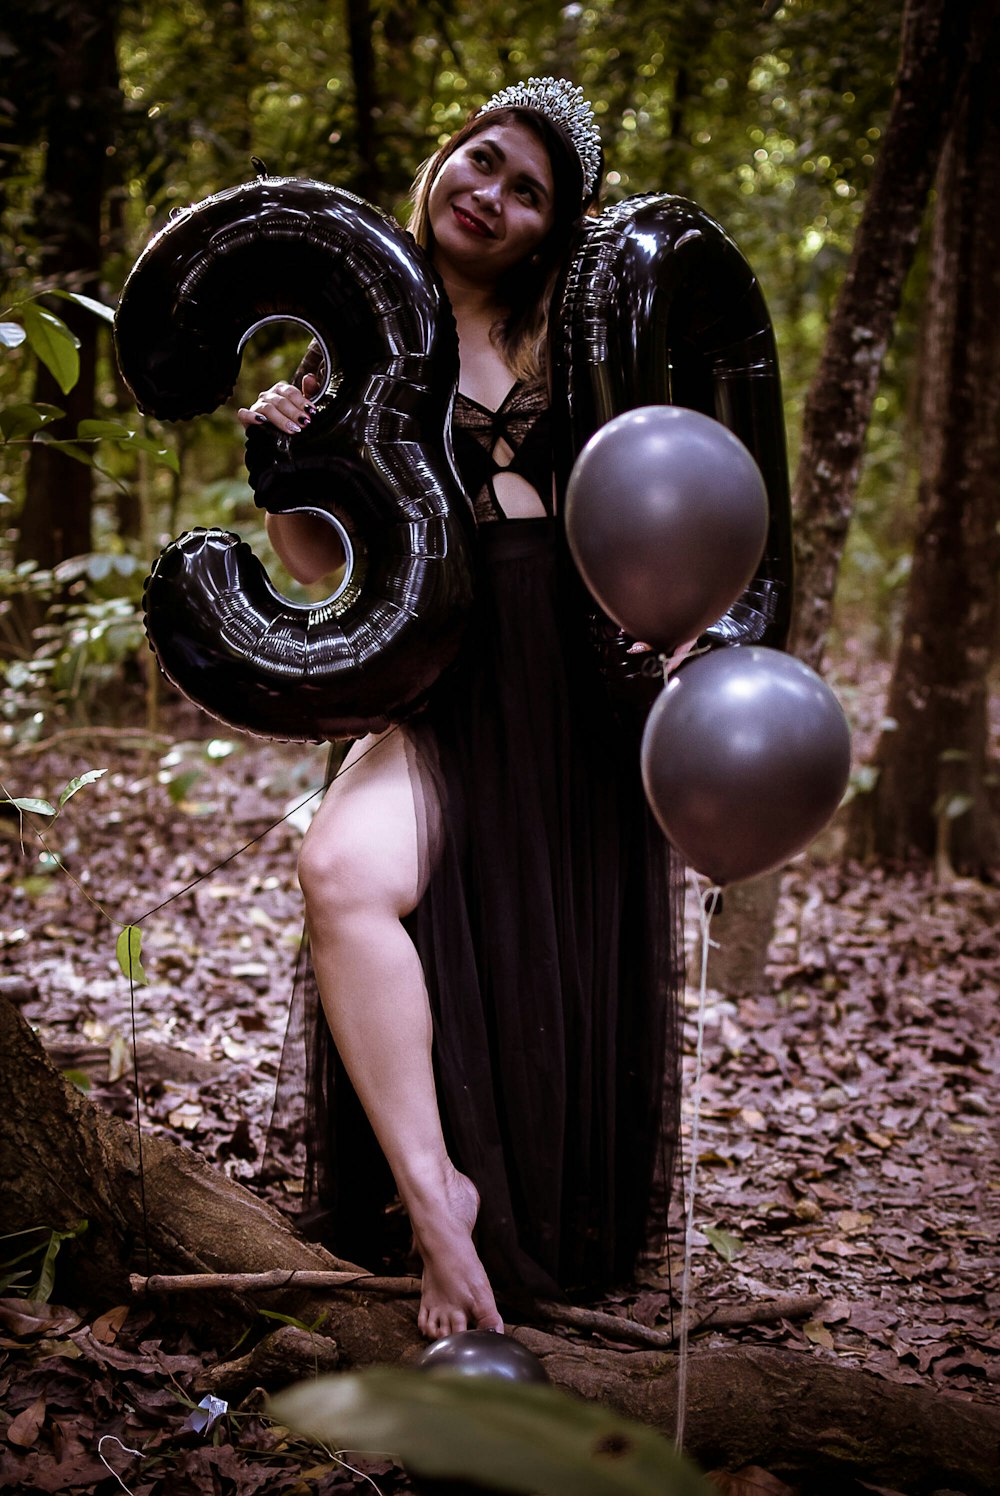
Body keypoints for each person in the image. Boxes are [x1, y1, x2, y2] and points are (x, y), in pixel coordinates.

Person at [240, 78, 684, 1340]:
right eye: (482, 162)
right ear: (448, 156)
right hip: (442, 678)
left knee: (550, 939)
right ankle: (437, 1198)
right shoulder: (354, 340)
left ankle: (538, 1214)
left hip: (576, 681)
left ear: (553, 228)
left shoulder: (585, 340)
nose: (488, 195)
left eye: (526, 191)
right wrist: (284, 464)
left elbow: (658, 502)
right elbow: (328, 567)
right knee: (340, 869)